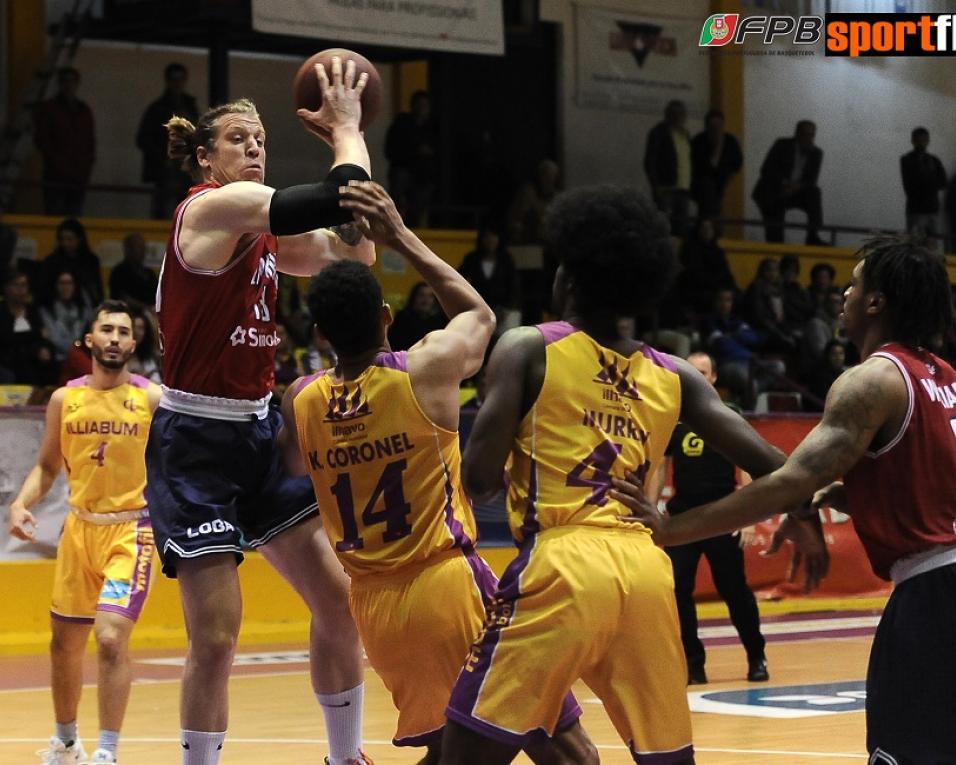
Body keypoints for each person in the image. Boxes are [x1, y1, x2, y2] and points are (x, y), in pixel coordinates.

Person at [440, 185, 827, 765]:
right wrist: (805, 516)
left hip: (563, 562)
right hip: (646, 568)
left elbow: (480, 480)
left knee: (467, 751)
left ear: (569, 276)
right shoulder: (675, 373)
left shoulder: (527, 346)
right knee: (667, 757)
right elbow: (781, 467)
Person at [612, 234, 955, 764]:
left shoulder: (872, 382)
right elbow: (927, 483)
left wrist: (670, 529)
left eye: (854, 282)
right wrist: (835, 498)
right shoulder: (945, 378)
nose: (843, 293)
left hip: (934, 592)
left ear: (876, 301)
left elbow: (789, 480)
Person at [286, 182, 592, 764]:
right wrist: (398, 236)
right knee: (572, 755)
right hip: (443, 585)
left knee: (454, 753)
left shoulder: (300, 401)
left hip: (374, 608)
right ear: (386, 316)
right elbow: (479, 313)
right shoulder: (424, 371)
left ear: (319, 335)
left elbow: (291, 465)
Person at [147, 57, 376, 765]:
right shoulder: (208, 209)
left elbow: (357, 250)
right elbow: (340, 193)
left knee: (339, 601)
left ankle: (345, 757)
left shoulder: (268, 229)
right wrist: (345, 129)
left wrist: (350, 167)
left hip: (258, 432)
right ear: (205, 157)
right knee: (217, 636)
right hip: (196, 440)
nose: (255, 147)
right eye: (240, 139)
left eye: (263, 139)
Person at [7, 301, 161, 765]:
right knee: (63, 644)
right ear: (89, 341)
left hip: (131, 533)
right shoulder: (64, 400)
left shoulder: (151, 398)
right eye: (106, 330)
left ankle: (106, 752)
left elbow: (174, 465)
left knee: (111, 638)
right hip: (78, 531)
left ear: (134, 345)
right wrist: (19, 503)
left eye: (124, 332)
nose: (115, 338)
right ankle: (66, 743)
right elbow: (48, 466)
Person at [648, 351, 767, 686]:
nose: (697, 377)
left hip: (724, 517)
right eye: (692, 371)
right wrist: (652, 507)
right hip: (683, 520)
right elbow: (660, 467)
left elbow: (745, 466)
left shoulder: (728, 415)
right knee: (679, 592)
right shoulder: (672, 416)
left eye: (703, 372)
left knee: (734, 591)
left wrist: (748, 517)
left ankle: (756, 654)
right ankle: (693, 663)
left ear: (713, 377)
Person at [137, 63, 201, 219]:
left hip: (186, 170)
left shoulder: (190, 107)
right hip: (166, 171)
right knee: (165, 211)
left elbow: (199, 134)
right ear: (167, 80)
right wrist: (163, 159)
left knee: (187, 211)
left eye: (180, 79)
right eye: (174, 79)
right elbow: (143, 139)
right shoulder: (157, 109)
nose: (177, 83)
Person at [33, 67, 95, 216]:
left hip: (77, 175)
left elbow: (90, 140)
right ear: (60, 84)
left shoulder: (84, 110)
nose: (69, 85)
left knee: (73, 215)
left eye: (72, 81)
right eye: (66, 81)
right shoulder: (49, 109)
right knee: (56, 214)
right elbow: (42, 139)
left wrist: (86, 165)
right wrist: (56, 162)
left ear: (77, 84)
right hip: (56, 175)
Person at [752, 120, 825, 245]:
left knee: (814, 193)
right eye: (805, 135)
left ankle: (813, 236)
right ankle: (775, 244)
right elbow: (767, 170)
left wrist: (796, 188)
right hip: (774, 190)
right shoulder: (782, 145)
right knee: (775, 229)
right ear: (797, 134)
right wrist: (784, 184)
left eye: (812, 135)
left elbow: (811, 180)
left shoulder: (816, 153)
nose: (809, 139)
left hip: (796, 191)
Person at [384, 90, 438, 227]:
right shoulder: (402, 123)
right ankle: (393, 225)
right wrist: (415, 150)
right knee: (397, 194)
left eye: (425, 106)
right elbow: (391, 149)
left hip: (422, 175)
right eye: (419, 105)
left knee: (418, 205)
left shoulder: (432, 128)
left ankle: (413, 228)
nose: (422, 109)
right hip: (403, 169)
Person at [458, 222, 520, 334]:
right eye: (487, 236)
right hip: (479, 307)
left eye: (493, 236)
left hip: (504, 309)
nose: (490, 240)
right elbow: (459, 279)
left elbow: (513, 285)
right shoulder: (472, 258)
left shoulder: (506, 259)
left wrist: (505, 308)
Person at [0, 269, 58, 385]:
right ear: (6, 288)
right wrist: (35, 334)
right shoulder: (2, 311)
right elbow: (6, 338)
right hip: (6, 359)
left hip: (32, 357)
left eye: (24, 285)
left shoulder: (32, 310)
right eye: (16, 285)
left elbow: (44, 335)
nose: (21, 290)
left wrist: (44, 348)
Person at [644, 99, 692, 234]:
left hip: (683, 188)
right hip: (666, 188)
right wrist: (656, 186)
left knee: (681, 227)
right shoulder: (658, 133)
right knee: (663, 227)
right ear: (667, 115)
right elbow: (650, 161)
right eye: (674, 113)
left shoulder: (685, 134)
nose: (678, 116)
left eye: (681, 113)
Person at [40, 218, 104, 309]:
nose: (65, 243)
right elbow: (45, 290)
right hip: (56, 308)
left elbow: (96, 289)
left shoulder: (91, 260)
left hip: (85, 307)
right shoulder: (52, 261)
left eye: (70, 239)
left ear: (80, 239)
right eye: (62, 239)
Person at [691, 109, 743, 218]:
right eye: (712, 126)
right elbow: (694, 163)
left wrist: (730, 175)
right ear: (707, 126)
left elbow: (738, 161)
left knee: (716, 212)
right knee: (708, 212)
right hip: (703, 184)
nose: (716, 129)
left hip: (721, 182)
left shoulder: (730, 141)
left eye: (718, 125)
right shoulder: (699, 141)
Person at [900, 127, 946, 244]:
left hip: (931, 210)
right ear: (913, 141)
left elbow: (943, 183)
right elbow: (911, 186)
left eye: (924, 140)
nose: (921, 143)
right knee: (916, 247)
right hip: (917, 210)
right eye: (919, 140)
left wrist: (928, 179)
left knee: (932, 246)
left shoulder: (934, 160)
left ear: (928, 141)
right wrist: (930, 178)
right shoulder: (907, 160)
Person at [40, 270, 91, 362]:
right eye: (62, 283)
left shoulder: (82, 309)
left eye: (69, 283)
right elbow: (55, 338)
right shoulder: (47, 310)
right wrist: (75, 351)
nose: (66, 287)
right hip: (59, 358)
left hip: (81, 355)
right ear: (55, 286)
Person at [507, 159, 560, 245]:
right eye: (546, 176)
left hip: (549, 243)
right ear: (540, 176)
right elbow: (517, 219)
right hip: (529, 242)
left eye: (552, 176)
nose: (549, 180)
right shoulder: (527, 193)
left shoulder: (557, 197)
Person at [388, 281, 447, 351]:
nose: (425, 300)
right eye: (421, 295)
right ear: (414, 297)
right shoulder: (402, 318)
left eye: (430, 296)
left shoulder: (441, 321)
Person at [109, 234, 158, 308]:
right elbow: (122, 299)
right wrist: (145, 308)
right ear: (128, 249)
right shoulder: (119, 272)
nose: (142, 251)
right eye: (138, 247)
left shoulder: (149, 274)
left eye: (143, 247)